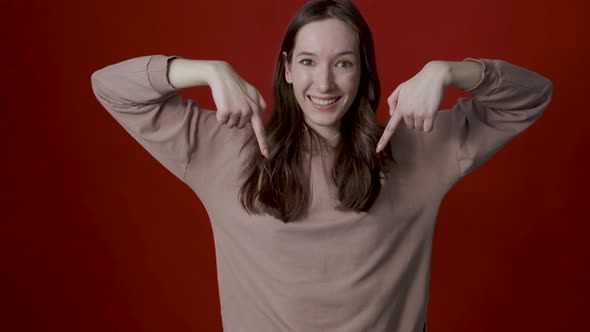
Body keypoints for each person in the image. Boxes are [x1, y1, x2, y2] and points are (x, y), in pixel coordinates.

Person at [90, 0, 553, 331]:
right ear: (287, 68)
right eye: (309, 61)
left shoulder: (415, 147)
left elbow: (531, 96)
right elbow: (110, 87)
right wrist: (205, 70)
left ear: (363, 72)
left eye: (344, 63)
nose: (325, 82)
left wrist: (449, 71)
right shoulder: (227, 147)